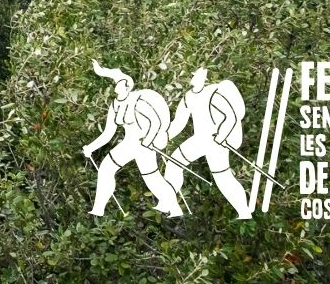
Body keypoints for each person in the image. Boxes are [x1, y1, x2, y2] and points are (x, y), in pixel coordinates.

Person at [82, 59, 183, 217]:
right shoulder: (115, 105)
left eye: (120, 82)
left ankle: (175, 208)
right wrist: (91, 147)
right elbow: (108, 133)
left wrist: (149, 141)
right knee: (106, 169)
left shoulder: (137, 101)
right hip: (128, 145)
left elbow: (154, 122)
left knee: (152, 179)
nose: (116, 85)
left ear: (127, 86)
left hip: (143, 145)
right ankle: (99, 208)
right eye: (115, 82)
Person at [166, 67, 253, 218]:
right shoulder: (188, 97)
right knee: (174, 164)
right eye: (192, 76)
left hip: (214, 141)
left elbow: (231, 117)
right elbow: (178, 123)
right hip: (201, 139)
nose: (193, 79)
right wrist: (163, 137)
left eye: (196, 76)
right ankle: (171, 205)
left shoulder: (213, 93)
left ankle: (244, 211)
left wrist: (221, 136)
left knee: (222, 177)